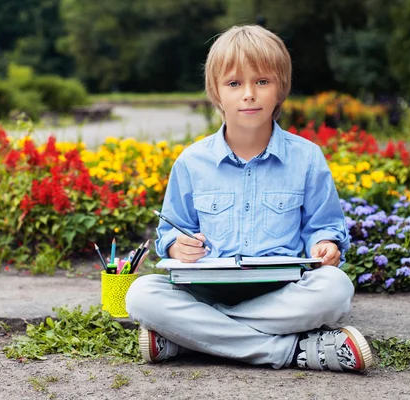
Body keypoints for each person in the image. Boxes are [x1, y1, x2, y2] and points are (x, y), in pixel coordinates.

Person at [125, 25, 373, 372]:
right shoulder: (191, 162)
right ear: (216, 92)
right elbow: (171, 232)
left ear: (280, 88)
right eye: (234, 83)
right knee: (141, 295)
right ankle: (291, 351)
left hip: (284, 290)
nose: (248, 95)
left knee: (335, 288)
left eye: (262, 82)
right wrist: (177, 246)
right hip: (207, 290)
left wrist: (326, 243)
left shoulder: (307, 158)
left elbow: (323, 225)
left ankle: (189, 335)